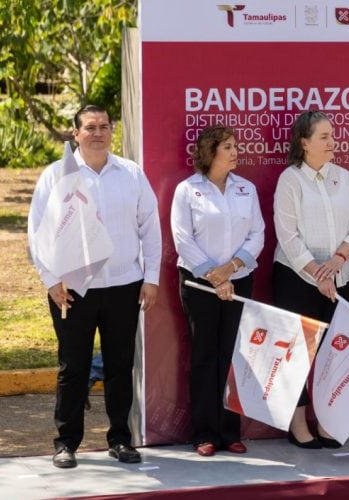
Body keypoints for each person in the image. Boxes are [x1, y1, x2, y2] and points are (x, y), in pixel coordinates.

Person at [28, 105, 161, 468]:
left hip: (124, 285)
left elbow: (150, 228)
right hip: (71, 290)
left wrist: (151, 279)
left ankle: (120, 439)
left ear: (111, 131)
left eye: (104, 126)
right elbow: (36, 232)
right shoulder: (57, 176)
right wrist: (51, 281)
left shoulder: (131, 174)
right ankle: (66, 443)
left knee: (120, 365)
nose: (98, 132)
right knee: (74, 367)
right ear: (76, 134)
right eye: (90, 127)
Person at [272, 110, 349, 449]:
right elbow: (288, 236)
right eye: (324, 137)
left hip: (345, 276)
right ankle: (298, 424)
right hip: (298, 279)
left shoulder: (344, 176)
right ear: (305, 143)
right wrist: (318, 275)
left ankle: (328, 421)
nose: (332, 142)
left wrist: (338, 260)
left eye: (332, 135)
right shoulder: (290, 180)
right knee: (298, 353)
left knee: (338, 352)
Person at [171, 125, 265, 456]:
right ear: (210, 152)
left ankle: (229, 432)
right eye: (228, 146)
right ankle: (205, 433)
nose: (236, 151)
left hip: (239, 280)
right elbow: (183, 239)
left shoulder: (246, 189)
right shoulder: (187, 191)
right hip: (199, 284)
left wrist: (230, 270)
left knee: (233, 355)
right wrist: (216, 278)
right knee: (205, 356)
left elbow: (258, 235)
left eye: (236, 145)